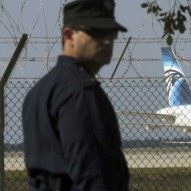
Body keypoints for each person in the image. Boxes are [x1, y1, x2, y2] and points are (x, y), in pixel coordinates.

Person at [22, 0, 130, 190]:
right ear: (69, 35)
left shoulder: (40, 90)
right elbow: (94, 174)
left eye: (111, 33)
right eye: (96, 32)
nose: (107, 40)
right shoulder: (80, 91)